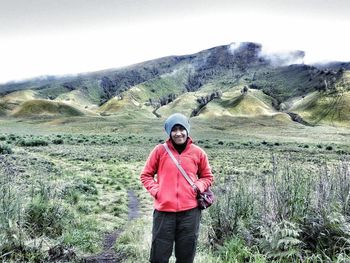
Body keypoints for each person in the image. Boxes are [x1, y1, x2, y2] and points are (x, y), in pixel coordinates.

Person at [140, 113, 214, 263]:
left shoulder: (198, 153)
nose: (178, 133)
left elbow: (207, 177)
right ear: (169, 131)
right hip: (164, 212)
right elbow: (146, 175)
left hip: (190, 213)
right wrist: (157, 191)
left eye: (181, 129)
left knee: (186, 255)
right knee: (158, 256)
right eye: (174, 129)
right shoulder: (160, 151)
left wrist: (199, 186)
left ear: (187, 130)